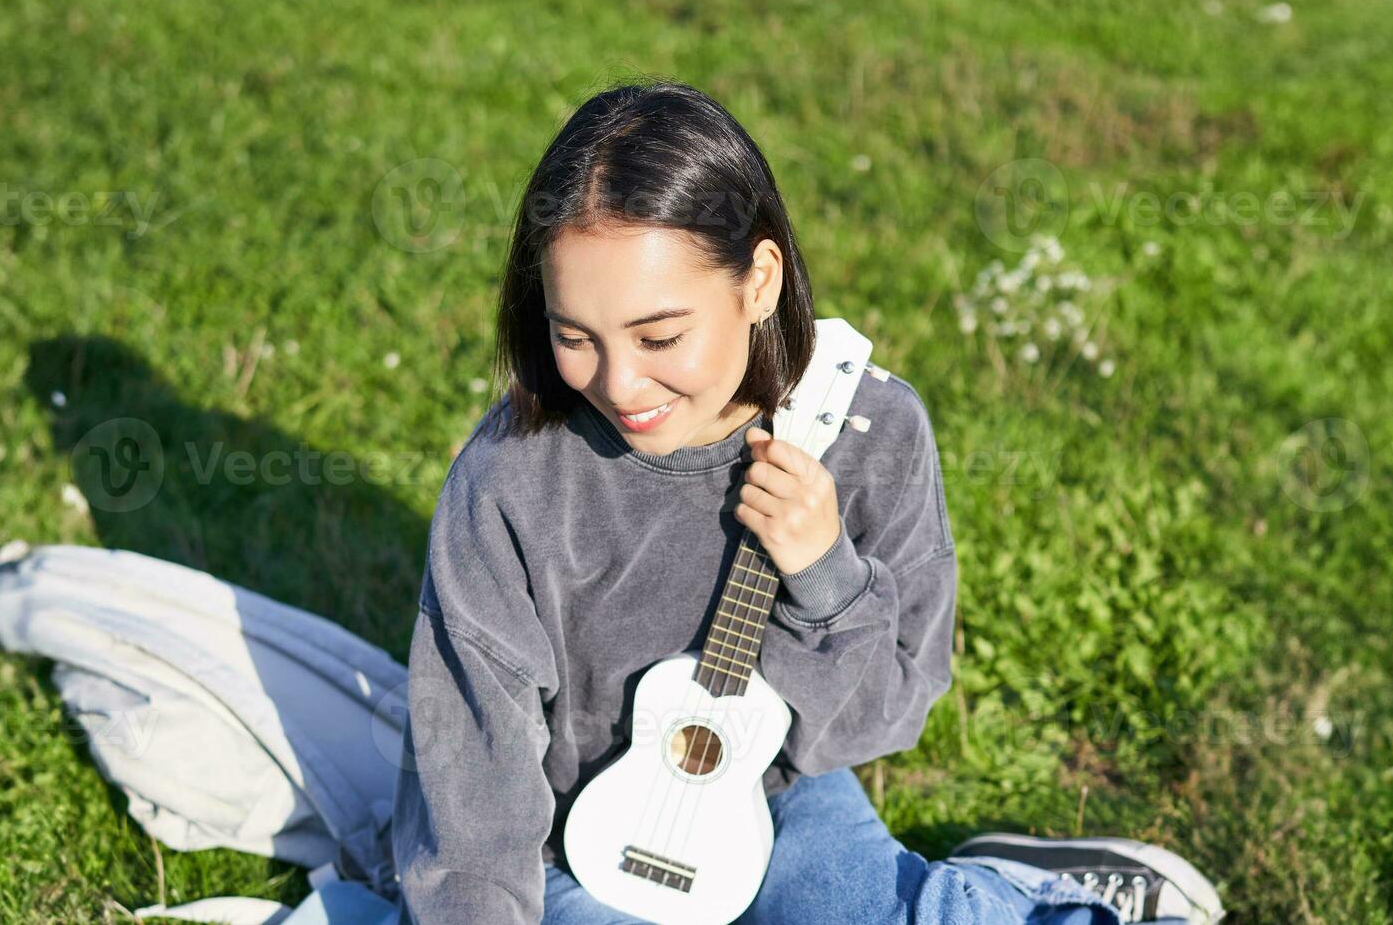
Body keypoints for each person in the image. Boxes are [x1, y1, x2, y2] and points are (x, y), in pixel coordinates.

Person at [386, 79, 1226, 925]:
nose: (618, 382)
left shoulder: (873, 431)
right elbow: (473, 761)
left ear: (758, 281)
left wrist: (828, 577)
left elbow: (889, 715)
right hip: (566, 841)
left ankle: (1023, 898)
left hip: (775, 792)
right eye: (573, 336)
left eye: (659, 335)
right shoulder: (512, 478)